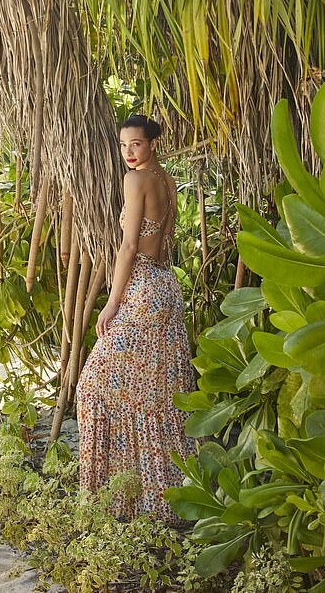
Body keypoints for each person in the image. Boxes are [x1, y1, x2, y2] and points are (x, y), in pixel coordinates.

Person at [76, 114, 196, 523]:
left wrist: (112, 302)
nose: (128, 152)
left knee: (92, 388)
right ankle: (161, 497)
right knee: (158, 394)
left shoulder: (136, 180)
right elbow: (164, 240)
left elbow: (129, 247)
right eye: (124, 144)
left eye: (137, 144)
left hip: (143, 290)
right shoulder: (166, 180)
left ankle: (115, 499)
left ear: (152, 144)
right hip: (166, 287)